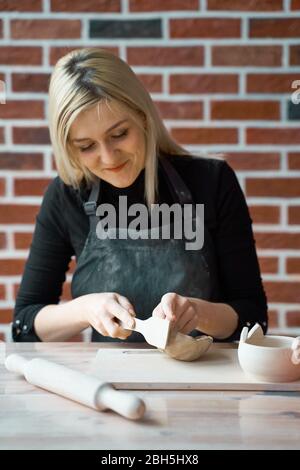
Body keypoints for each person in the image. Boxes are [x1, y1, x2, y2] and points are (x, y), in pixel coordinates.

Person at [12, 47, 268, 343]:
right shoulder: (67, 196)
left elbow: (254, 316)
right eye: (86, 146)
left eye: (119, 134)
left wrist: (199, 312)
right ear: (69, 147)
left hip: (204, 376)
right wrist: (85, 309)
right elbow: (24, 324)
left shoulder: (212, 181)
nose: (108, 157)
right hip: (110, 379)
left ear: (143, 117)